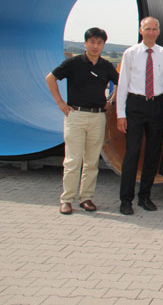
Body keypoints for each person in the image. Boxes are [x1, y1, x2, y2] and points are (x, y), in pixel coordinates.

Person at [46, 27, 119, 215]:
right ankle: (66, 199)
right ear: (85, 43)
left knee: (92, 161)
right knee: (72, 160)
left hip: (98, 117)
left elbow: (121, 83)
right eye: (92, 42)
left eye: (99, 43)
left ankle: (86, 198)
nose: (95, 46)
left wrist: (111, 101)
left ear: (103, 45)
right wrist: (60, 103)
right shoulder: (73, 63)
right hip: (76, 115)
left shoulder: (106, 66)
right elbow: (51, 78)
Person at [117, 17, 163, 215]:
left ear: (159, 31)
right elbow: (122, 85)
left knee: (153, 153)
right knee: (132, 153)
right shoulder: (130, 53)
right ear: (141, 30)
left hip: (157, 105)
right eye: (147, 29)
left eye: (154, 29)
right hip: (135, 105)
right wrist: (120, 115)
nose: (151, 32)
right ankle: (126, 200)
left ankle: (145, 197)